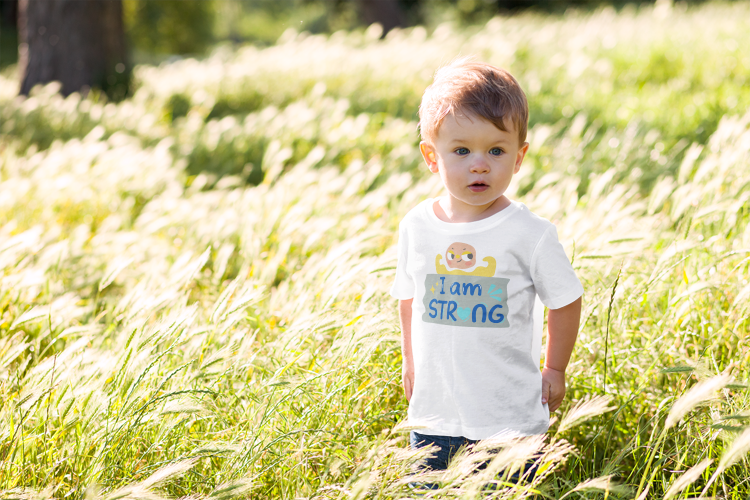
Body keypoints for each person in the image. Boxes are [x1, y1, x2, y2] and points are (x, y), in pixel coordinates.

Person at [390, 58, 583, 482]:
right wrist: (410, 361)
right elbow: (409, 297)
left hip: (507, 417)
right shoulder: (417, 227)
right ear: (431, 156)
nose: (480, 164)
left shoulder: (529, 234)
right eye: (461, 150)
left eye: (496, 150)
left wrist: (555, 368)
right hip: (434, 414)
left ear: (518, 157)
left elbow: (566, 299)